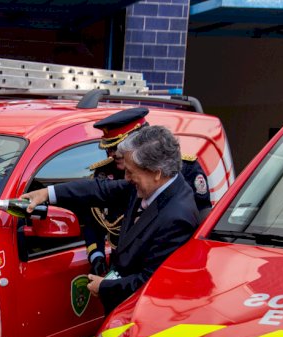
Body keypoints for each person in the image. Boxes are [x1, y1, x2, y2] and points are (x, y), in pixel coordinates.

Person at [22, 125, 201, 314]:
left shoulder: (176, 217)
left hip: (140, 315)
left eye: (131, 172)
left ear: (156, 172)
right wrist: (47, 193)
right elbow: (100, 190)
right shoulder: (154, 184)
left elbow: (150, 282)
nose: (126, 178)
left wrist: (104, 287)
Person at [80, 107, 211, 276]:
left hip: (163, 264)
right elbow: (93, 218)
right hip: (120, 262)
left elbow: (201, 222)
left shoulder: (184, 169)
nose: (111, 154)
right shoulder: (105, 173)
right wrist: (96, 255)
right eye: (109, 149)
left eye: (116, 148)